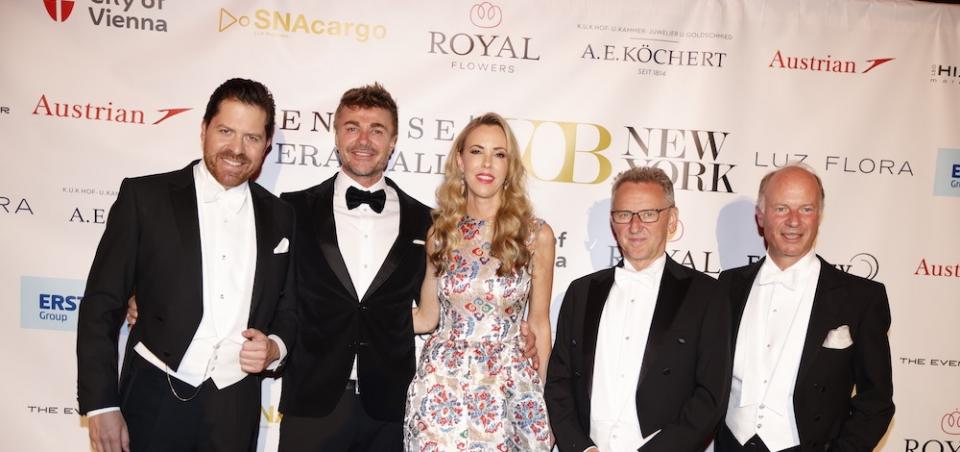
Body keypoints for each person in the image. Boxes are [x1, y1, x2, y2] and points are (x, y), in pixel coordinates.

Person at [276, 87, 539, 452]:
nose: (364, 140)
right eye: (352, 127)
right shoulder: (292, 211)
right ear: (336, 135)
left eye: (378, 130)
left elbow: (429, 314)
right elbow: (278, 300)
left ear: (394, 140)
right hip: (312, 401)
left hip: (390, 406)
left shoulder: (427, 223)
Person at [76, 78, 297, 452]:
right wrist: (101, 404)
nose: (237, 149)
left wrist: (275, 346)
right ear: (204, 129)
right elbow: (101, 303)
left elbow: (289, 310)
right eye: (226, 131)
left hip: (235, 405)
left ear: (267, 144)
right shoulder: (144, 197)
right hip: (151, 395)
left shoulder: (282, 217)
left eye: (252, 137)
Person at [545, 166, 731, 452]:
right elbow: (559, 382)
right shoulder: (581, 292)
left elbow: (711, 395)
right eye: (624, 214)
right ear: (612, 222)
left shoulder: (706, 295)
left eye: (648, 214)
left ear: (671, 220)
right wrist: (581, 447)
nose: (634, 226)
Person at [715, 163, 894, 452]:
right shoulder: (727, 287)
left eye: (806, 209)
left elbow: (876, 402)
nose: (794, 220)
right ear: (760, 217)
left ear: (819, 216)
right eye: (781, 208)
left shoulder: (861, 298)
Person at [405, 113, 556, 451]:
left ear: (509, 166)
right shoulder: (440, 234)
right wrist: (361, 314)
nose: (487, 163)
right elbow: (428, 317)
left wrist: (538, 396)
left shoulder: (534, 235)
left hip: (508, 387)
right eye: (476, 151)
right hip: (442, 386)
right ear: (460, 160)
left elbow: (539, 323)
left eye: (499, 154)